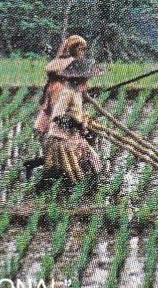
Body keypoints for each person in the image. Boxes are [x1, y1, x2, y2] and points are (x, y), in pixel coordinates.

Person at [25, 35, 88, 179]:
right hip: (53, 125)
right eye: (80, 48)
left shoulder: (64, 85)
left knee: (57, 155)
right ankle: (43, 178)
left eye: (84, 49)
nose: (82, 51)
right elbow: (57, 111)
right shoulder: (58, 87)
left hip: (55, 125)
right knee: (55, 155)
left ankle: (37, 168)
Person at [43, 57, 106, 190]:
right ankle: (83, 187)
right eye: (86, 80)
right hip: (61, 139)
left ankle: (96, 183)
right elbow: (57, 116)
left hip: (73, 136)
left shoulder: (77, 92)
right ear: (79, 80)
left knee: (93, 159)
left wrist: (83, 122)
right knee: (74, 170)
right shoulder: (67, 93)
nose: (87, 83)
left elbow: (75, 111)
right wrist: (77, 124)